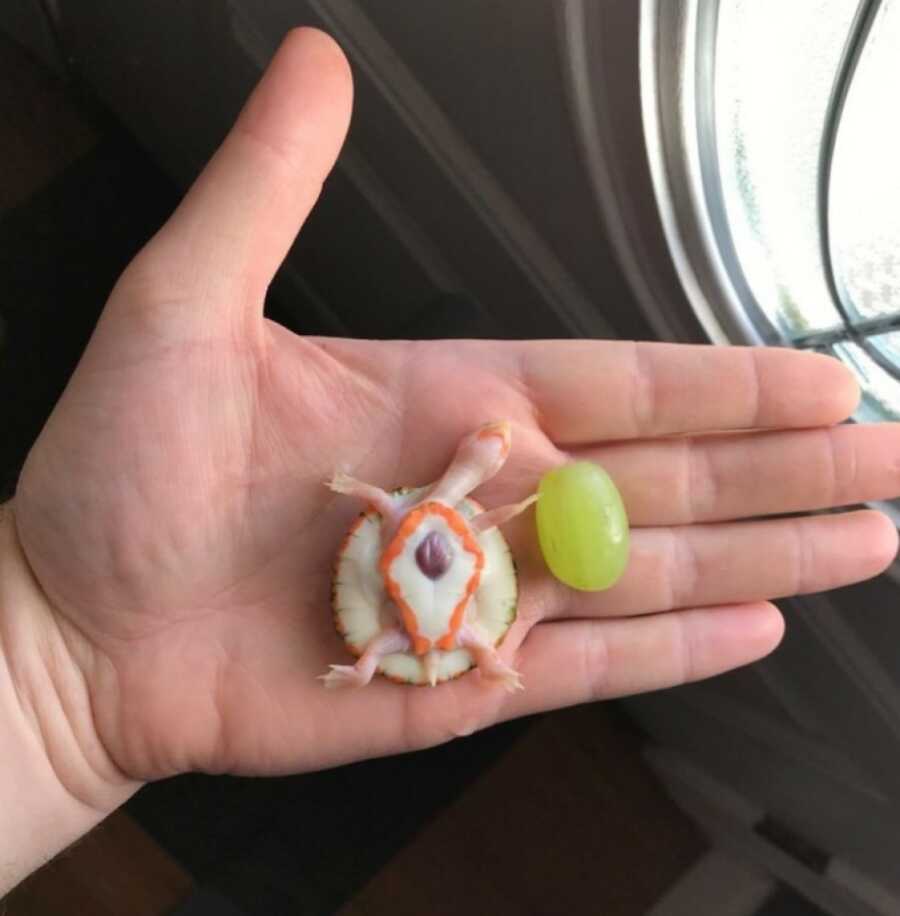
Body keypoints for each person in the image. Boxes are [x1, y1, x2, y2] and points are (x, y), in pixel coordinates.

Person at [2, 28, 898, 896]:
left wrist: (53, 674)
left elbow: (438, 536)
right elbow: (422, 530)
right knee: (440, 583)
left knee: (446, 580)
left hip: (424, 605)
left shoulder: (442, 536)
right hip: (420, 601)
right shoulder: (433, 535)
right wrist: (54, 669)